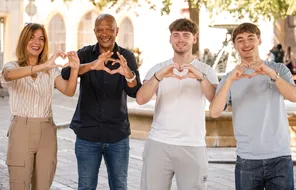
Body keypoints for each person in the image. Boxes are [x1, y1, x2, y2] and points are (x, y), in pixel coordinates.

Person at [209, 23, 295, 190]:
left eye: (250, 38)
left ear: (259, 41)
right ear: (234, 45)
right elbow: (214, 112)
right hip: (247, 160)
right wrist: (230, 81)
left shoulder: (278, 69)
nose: (246, 44)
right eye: (240, 40)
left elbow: (293, 96)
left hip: (280, 157)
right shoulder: (230, 77)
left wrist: (271, 75)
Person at [61, 14, 141, 190]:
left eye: (109, 29)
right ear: (95, 31)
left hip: (117, 135)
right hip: (87, 135)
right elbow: (65, 74)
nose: (105, 33)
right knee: (86, 187)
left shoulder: (126, 56)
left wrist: (128, 74)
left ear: (116, 31)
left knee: (120, 186)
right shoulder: (85, 53)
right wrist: (91, 65)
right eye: (100, 30)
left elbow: (135, 91)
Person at [136, 18, 218, 190]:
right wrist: (159, 76)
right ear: (170, 39)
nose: (181, 39)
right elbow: (141, 99)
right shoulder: (158, 68)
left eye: (186, 35)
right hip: (159, 143)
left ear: (194, 39)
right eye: (176, 35)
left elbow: (215, 103)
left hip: (193, 145)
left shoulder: (206, 70)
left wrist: (199, 77)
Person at [0, 23, 80, 189]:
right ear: (24, 41)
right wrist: (43, 65)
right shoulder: (13, 66)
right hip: (21, 128)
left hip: (47, 130)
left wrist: (74, 69)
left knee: (43, 183)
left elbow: (68, 90)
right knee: (19, 183)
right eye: (32, 37)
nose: (36, 42)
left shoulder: (51, 71)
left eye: (41, 38)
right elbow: (8, 76)